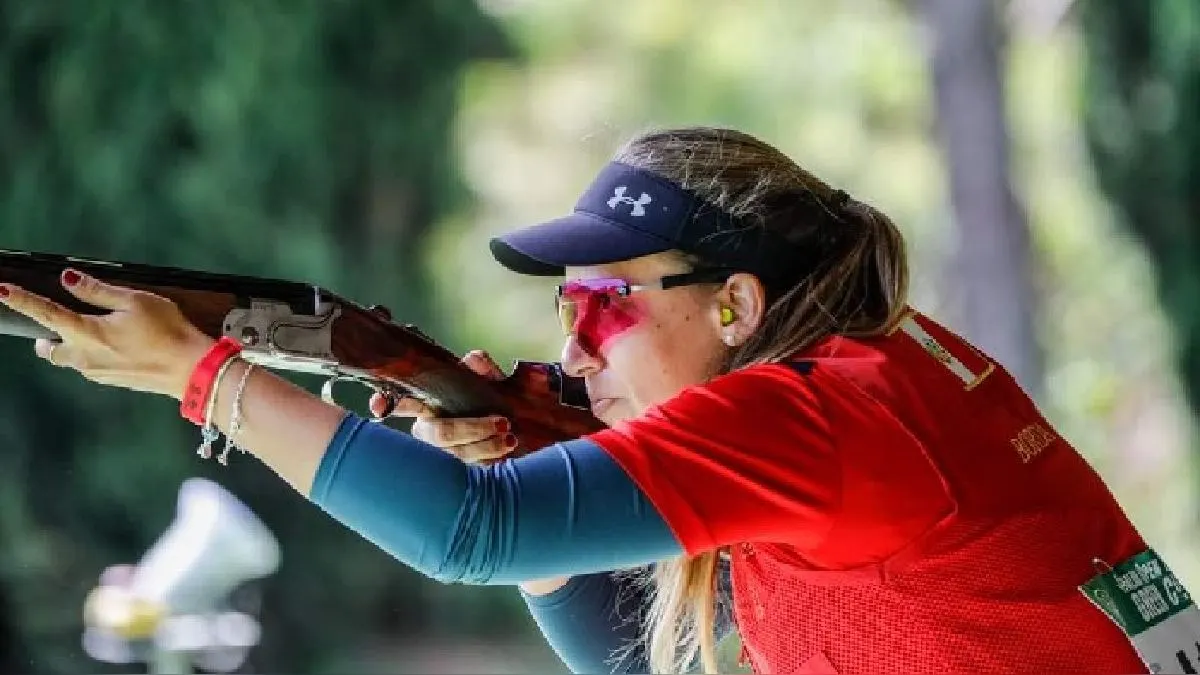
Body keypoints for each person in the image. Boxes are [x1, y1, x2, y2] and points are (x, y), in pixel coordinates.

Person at [0, 126, 1160, 674]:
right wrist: (528, 501)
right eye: (566, 309)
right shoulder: (879, 370)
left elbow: (466, 532)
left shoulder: (816, 419)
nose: (575, 340)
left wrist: (203, 375)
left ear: (736, 308)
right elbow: (627, 665)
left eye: (605, 300)